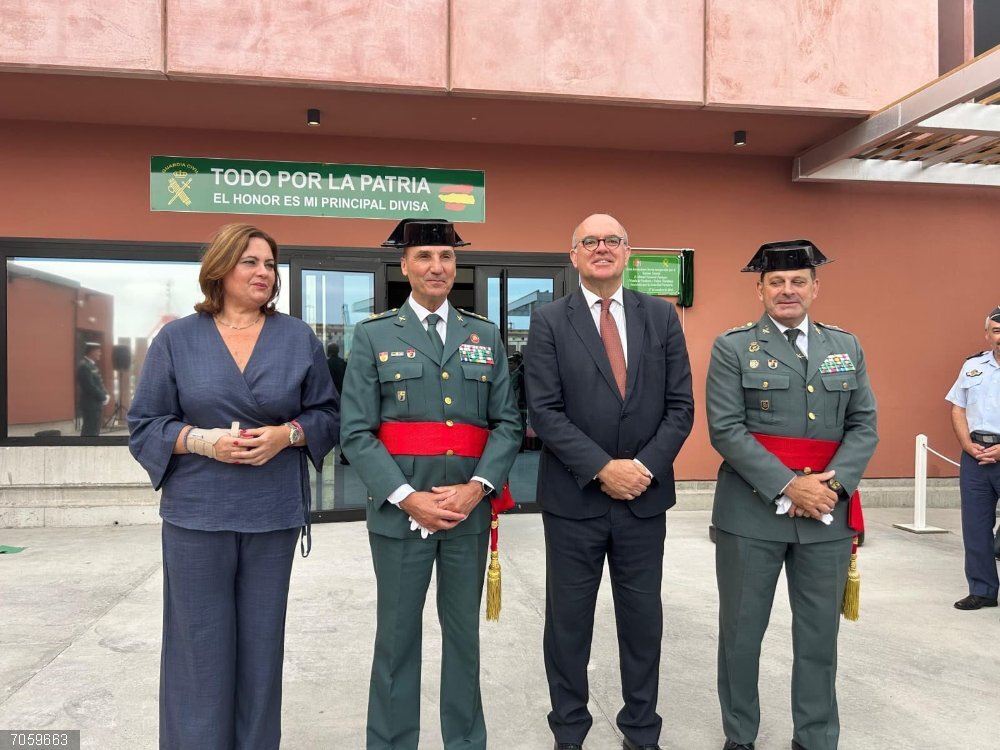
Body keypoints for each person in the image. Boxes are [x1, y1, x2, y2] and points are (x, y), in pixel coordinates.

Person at [127, 223, 340, 750]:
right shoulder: (177, 339)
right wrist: (203, 442)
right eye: (251, 262)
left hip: (272, 513)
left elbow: (329, 416)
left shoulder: (297, 337)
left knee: (262, 648)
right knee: (198, 648)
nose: (264, 272)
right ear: (220, 269)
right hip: (197, 516)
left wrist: (287, 435)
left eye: (270, 264)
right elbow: (145, 424)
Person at [339, 218, 521, 750]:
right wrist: (409, 498)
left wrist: (477, 489)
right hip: (401, 517)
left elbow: (507, 422)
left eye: (445, 257)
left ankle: (465, 742)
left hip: (468, 516)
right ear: (405, 266)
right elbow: (356, 430)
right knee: (396, 642)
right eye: (424, 257)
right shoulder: (373, 334)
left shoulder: (483, 333)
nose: (436, 267)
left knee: (464, 641)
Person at [524, 213, 694, 750]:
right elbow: (544, 410)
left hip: (644, 501)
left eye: (613, 240)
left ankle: (641, 730)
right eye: (590, 241)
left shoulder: (661, 317)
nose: (602, 248)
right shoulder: (549, 320)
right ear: (573, 255)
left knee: (643, 623)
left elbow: (680, 406)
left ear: (628, 253)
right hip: (574, 500)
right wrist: (602, 468)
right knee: (568, 625)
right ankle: (569, 731)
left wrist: (641, 470)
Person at [705, 240, 878, 750]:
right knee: (741, 636)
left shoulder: (845, 346)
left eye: (798, 281)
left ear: (814, 288)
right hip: (751, 515)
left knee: (820, 637)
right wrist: (789, 485)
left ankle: (816, 736)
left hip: (826, 514)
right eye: (776, 282)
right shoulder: (732, 347)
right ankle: (740, 735)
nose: (787, 290)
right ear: (759, 289)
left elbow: (864, 425)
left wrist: (833, 485)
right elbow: (726, 429)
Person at [945, 305, 1000, 610]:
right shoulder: (972, 367)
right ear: (987, 334)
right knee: (976, 527)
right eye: (996, 330)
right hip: (975, 455)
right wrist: (966, 443)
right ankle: (983, 590)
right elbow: (958, 407)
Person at [77, 341, 108, 436]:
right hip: (90, 404)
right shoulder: (84, 366)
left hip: (95, 404)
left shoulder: (91, 365)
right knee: (89, 431)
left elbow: (99, 383)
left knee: (94, 431)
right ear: (92, 352)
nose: (100, 353)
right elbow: (90, 386)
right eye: (98, 351)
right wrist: (103, 397)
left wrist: (105, 393)